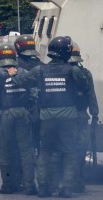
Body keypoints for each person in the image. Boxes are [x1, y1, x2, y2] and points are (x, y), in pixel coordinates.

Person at [7, 36, 88, 198]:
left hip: (47, 117)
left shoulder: (40, 70)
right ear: (66, 52)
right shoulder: (73, 71)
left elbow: (22, 82)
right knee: (70, 151)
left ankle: (44, 188)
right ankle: (66, 187)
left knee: (45, 151)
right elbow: (84, 86)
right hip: (68, 117)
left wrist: (13, 74)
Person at [0, 44, 36, 195]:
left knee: (5, 150)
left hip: (5, 115)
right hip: (23, 113)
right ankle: (29, 185)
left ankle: (7, 185)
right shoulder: (24, 72)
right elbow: (33, 94)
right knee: (25, 150)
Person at [68, 42, 99, 193]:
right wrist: (95, 114)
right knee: (80, 149)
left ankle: (67, 180)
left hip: (65, 116)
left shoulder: (60, 72)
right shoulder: (85, 73)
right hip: (81, 115)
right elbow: (91, 95)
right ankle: (77, 180)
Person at [14, 34, 43, 157]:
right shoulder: (42, 64)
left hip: (19, 105)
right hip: (41, 107)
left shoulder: (13, 66)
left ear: (17, 47)